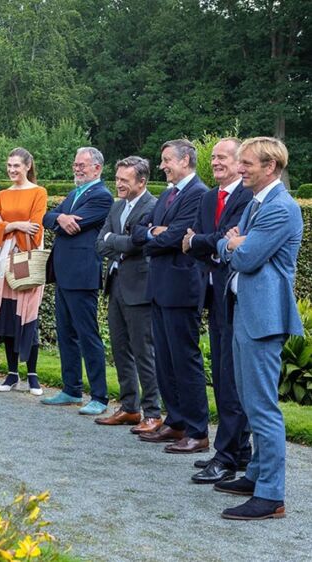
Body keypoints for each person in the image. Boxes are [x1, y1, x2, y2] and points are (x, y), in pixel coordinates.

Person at [215, 137, 301, 520]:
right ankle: (255, 475)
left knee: (263, 408)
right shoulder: (257, 203)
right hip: (247, 313)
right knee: (250, 402)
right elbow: (227, 245)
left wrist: (234, 244)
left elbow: (246, 258)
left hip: (263, 319)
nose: (240, 168)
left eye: (247, 163)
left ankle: (271, 496)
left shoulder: (280, 208)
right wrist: (233, 242)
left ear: (270, 167)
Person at [131, 139, 209, 454]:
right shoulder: (166, 194)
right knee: (164, 360)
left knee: (184, 361)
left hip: (181, 289)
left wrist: (160, 234)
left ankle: (197, 430)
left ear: (186, 160)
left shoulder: (199, 194)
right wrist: (155, 233)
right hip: (160, 287)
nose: (162, 166)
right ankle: (175, 422)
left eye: (167, 160)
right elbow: (139, 232)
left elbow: (179, 236)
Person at [183, 138, 253, 484]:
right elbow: (196, 242)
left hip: (236, 295)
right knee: (224, 374)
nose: (215, 162)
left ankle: (227, 456)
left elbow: (218, 240)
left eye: (222, 156)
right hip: (213, 294)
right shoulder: (210, 197)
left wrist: (206, 241)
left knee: (230, 379)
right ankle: (237, 450)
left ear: (241, 161)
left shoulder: (248, 197)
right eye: (212, 157)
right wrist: (209, 242)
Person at [41, 147, 112, 413]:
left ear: (97, 168)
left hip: (82, 276)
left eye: (82, 165)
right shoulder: (74, 194)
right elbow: (47, 217)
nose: (77, 168)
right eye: (75, 164)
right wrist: (59, 216)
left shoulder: (103, 196)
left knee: (87, 335)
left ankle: (99, 396)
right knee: (65, 334)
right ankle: (71, 389)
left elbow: (76, 226)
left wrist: (59, 220)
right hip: (63, 274)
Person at [0, 148, 47, 394]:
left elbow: (35, 228)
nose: (12, 170)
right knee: (7, 317)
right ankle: (12, 373)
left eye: (16, 165)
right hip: (3, 264)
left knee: (27, 315)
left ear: (27, 166)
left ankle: (33, 375)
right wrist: (15, 225)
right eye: (9, 165)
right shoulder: (2, 194)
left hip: (26, 260)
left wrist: (5, 227)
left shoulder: (39, 192)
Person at [94, 156, 161, 430]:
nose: (118, 184)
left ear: (141, 181)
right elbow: (100, 243)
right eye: (117, 178)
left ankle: (153, 413)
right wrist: (119, 242)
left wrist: (115, 241)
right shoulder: (116, 205)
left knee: (144, 351)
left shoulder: (152, 206)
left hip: (140, 288)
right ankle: (129, 407)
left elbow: (138, 244)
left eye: (125, 180)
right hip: (116, 284)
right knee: (120, 349)